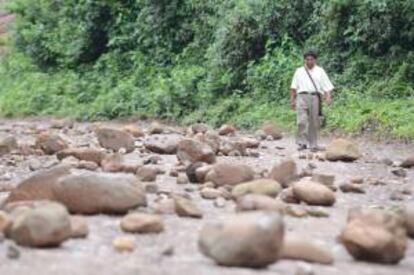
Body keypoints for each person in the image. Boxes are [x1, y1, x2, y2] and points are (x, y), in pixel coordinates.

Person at [290, 50, 334, 152]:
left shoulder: (320, 71)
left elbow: (326, 85)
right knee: (301, 121)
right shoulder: (299, 71)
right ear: (304, 60)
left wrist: (328, 97)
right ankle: (302, 143)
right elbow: (293, 87)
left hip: (315, 97)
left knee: (314, 121)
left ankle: (313, 144)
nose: (309, 61)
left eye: (311, 59)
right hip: (301, 96)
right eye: (307, 59)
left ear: (315, 60)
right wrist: (292, 100)